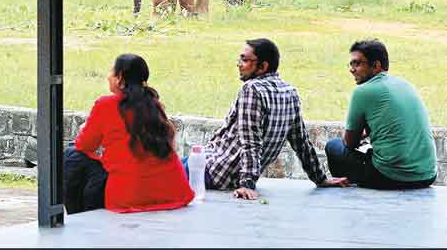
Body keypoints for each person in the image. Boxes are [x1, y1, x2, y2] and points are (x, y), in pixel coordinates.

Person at [201, 39, 348, 199]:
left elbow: (250, 141)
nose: (239, 64)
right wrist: (320, 178)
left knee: (171, 168)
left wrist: (247, 185)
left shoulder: (252, 89)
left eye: (245, 59)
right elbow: (301, 142)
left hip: (213, 169)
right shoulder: (290, 92)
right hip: (223, 171)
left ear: (263, 66)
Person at [64, 53, 195, 214]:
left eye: (111, 72)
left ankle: (79, 218)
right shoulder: (154, 105)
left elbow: (84, 145)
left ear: (119, 78)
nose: (108, 77)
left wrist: (86, 130)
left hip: (130, 197)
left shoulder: (105, 105)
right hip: (173, 193)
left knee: (71, 155)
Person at [325, 39, 437, 189]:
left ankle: (348, 185)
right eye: (350, 64)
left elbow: (349, 143)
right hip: (427, 176)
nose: (352, 69)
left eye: (357, 63)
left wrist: (360, 135)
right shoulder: (405, 84)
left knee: (334, 146)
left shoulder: (363, 92)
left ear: (376, 65)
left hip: (390, 177)